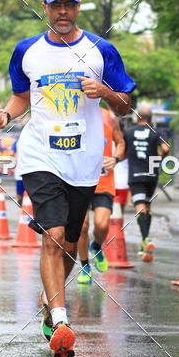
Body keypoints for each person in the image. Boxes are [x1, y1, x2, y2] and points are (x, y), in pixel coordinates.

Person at [0, 0, 135, 357]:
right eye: (56, 6)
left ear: (78, 6)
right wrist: (7, 115)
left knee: (70, 244)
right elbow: (21, 96)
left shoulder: (102, 50)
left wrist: (106, 93)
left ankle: (49, 298)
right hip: (40, 155)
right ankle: (60, 318)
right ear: (45, 9)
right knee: (52, 234)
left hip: (84, 161)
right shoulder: (27, 50)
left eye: (69, 4)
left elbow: (125, 103)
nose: (63, 11)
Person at [77, 107, 125, 284]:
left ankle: (96, 246)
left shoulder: (109, 116)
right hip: (79, 180)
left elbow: (120, 143)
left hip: (103, 182)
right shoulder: (73, 113)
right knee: (82, 227)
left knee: (102, 224)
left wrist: (116, 159)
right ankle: (84, 267)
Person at [123, 103, 170, 262]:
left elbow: (122, 153)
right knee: (147, 207)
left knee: (139, 207)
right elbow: (166, 148)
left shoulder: (128, 132)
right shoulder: (156, 132)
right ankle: (145, 243)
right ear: (150, 118)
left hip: (135, 175)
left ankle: (146, 239)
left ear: (137, 118)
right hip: (151, 174)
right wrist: (159, 158)